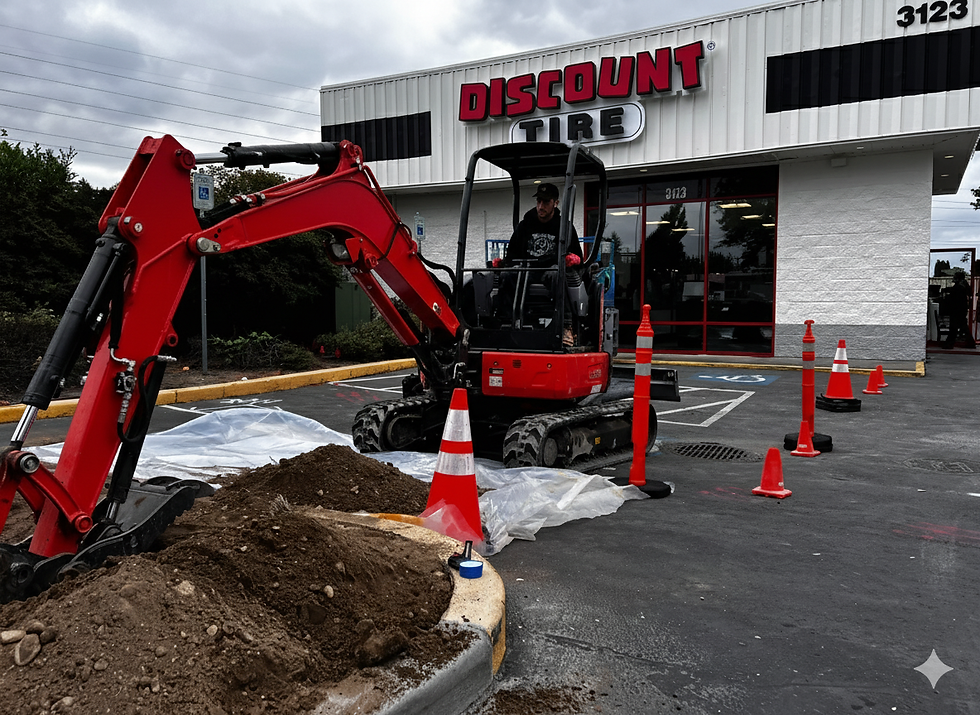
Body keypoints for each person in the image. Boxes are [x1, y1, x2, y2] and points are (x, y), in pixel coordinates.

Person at [493, 183, 583, 342]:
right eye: (539, 201)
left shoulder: (564, 227)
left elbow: (576, 255)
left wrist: (572, 259)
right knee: (508, 275)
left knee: (558, 274)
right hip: (528, 269)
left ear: (555, 203)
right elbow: (513, 252)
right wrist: (504, 263)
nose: (541, 206)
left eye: (546, 202)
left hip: (550, 269)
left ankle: (566, 326)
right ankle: (507, 322)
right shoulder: (525, 225)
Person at [943, 271, 976, 349]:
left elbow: (954, 297)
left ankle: (949, 344)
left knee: (954, 327)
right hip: (961, 310)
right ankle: (970, 343)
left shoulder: (959, 287)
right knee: (962, 327)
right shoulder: (964, 285)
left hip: (957, 310)